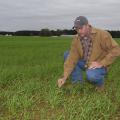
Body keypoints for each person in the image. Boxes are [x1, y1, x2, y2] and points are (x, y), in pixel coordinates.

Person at [57, 16, 120, 91]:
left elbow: (116, 49)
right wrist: (64, 77)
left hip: (98, 64)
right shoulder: (76, 39)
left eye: (81, 28)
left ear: (87, 25)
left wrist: (101, 63)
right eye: (77, 29)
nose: (79, 31)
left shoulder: (102, 34)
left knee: (91, 75)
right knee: (67, 54)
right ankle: (77, 83)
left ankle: (100, 84)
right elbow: (71, 59)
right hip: (85, 63)